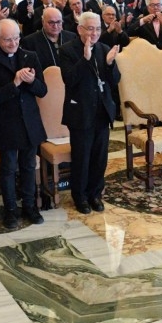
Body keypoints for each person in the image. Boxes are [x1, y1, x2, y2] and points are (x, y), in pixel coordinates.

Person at [0, 19, 46, 230]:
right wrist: (15, 83)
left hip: (29, 121)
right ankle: (10, 210)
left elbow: (42, 90)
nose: (13, 43)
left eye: (16, 38)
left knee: (28, 165)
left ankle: (29, 206)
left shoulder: (30, 56)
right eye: (8, 39)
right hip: (6, 123)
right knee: (8, 168)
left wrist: (31, 82)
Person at [58, 12, 120, 214]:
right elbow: (69, 80)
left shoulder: (104, 49)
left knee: (99, 158)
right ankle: (80, 197)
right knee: (82, 158)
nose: (94, 33)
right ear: (80, 29)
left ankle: (95, 194)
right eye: (90, 29)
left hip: (102, 111)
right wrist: (85, 60)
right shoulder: (67, 50)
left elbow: (115, 81)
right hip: (81, 112)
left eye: (98, 29)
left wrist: (110, 64)